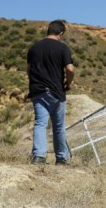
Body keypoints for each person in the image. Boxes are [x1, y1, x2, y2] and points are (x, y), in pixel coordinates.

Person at [27, 20, 75, 165]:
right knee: (58, 127)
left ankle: (39, 156)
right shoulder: (62, 48)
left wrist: (35, 83)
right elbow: (70, 69)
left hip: (38, 91)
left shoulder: (33, 48)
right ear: (61, 33)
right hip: (56, 92)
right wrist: (69, 83)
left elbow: (29, 70)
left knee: (40, 123)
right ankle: (61, 158)